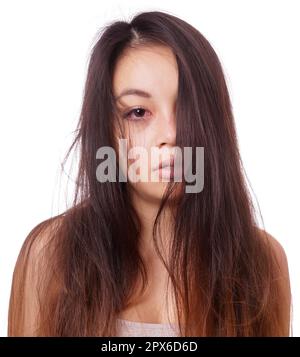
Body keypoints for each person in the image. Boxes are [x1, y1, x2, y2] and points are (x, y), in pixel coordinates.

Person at [8, 10, 291, 337]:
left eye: (188, 108)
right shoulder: (51, 255)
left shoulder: (262, 261)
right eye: (138, 112)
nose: (171, 134)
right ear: (107, 132)